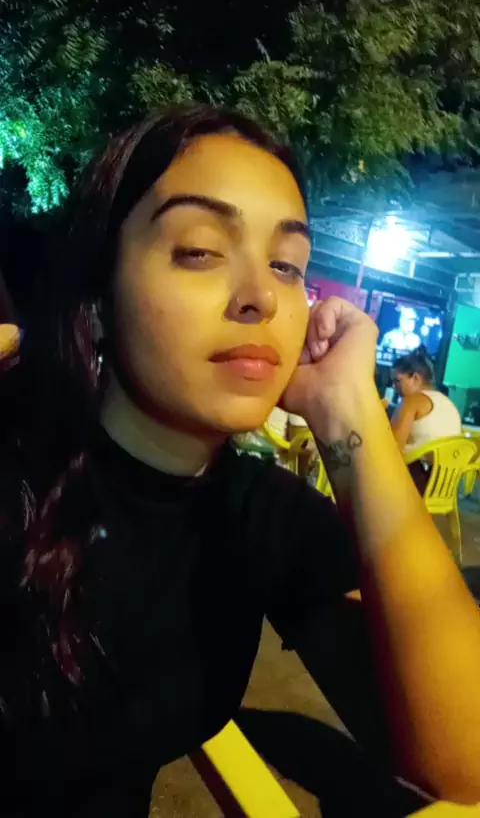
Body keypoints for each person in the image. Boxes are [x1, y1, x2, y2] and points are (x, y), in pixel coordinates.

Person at [1, 104, 480, 815]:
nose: (262, 297)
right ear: (98, 298)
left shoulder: (262, 515)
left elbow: (465, 762)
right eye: (200, 250)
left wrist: (348, 414)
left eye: (288, 266)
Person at [391, 348, 462, 493]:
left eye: (397, 380)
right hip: (445, 486)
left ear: (416, 378)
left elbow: (391, 446)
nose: (394, 386)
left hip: (416, 484)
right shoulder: (448, 403)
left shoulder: (411, 401)